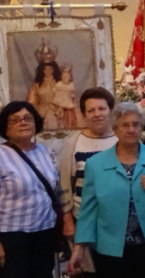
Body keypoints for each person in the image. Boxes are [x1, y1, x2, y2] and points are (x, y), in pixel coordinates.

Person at [69, 102, 145, 277]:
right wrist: (79, 248)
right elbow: (88, 210)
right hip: (109, 250)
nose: (131, 129)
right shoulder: (96, 164)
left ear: (142, 128)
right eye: (124, 125)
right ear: (115, 129)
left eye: (136, 124)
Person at [0, 101, 60, 278]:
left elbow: (55, 190)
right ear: (5, 129)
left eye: (28, 118)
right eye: (15, 119)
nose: (23, 123)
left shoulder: (45, 152)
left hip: (44, 233)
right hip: (11, 237)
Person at [58, 87, 118, 274]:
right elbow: (63, 185)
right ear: (83, 114)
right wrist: (68, 221)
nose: (97, 114)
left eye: (102, 109)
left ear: (110, 110)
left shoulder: (122, 139)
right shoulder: (74, 143)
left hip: (118, 221)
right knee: (88, 272)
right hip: (83, 220)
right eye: (90, 110)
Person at [27, 60, 62, 130]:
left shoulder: (60, 83)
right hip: (41, 111)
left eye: (50, 69)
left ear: (54, 70)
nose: (48, 71)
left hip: (57, 111)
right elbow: (33, 100)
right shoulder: (37, 85)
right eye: (45, 69)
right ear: (42, 70)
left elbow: (64, 98)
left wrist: (60, 109)